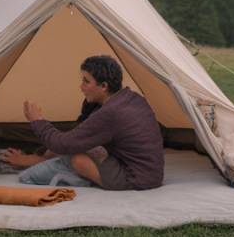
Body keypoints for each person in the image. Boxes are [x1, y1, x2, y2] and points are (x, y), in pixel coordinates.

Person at [17, 55, 164, 190]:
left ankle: (41, 165)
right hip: (151, 174)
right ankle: (36, 159)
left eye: (86, 81)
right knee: (81, 144)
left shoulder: (111, 112)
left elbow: (64, 144)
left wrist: (37, 121)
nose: (81, 87)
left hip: (135, 178)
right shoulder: (130, 98)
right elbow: (78, 133)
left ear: (104, 86)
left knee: (75, 159)